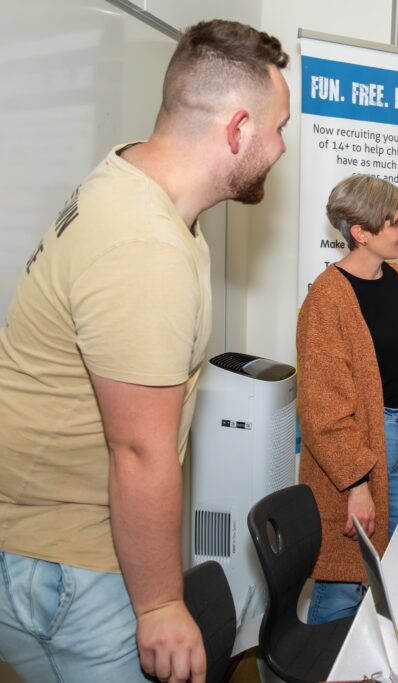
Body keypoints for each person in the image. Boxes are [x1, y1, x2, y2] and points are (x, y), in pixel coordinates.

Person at [0, 20, 289, 683]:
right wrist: (159, 604)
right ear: (238, 129)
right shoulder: (145, 245)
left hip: (77, 547)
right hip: (66, 563)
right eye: (278, 128)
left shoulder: (140, 185)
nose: (279, 147)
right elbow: (137, 449)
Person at [297, 175, 398, 624]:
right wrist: (356, 485)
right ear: (361, 233)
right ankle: (326, 666)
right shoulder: (327, 300)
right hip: (361, 448)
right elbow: (321, 410)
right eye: (396, 222)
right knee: (348, 579)